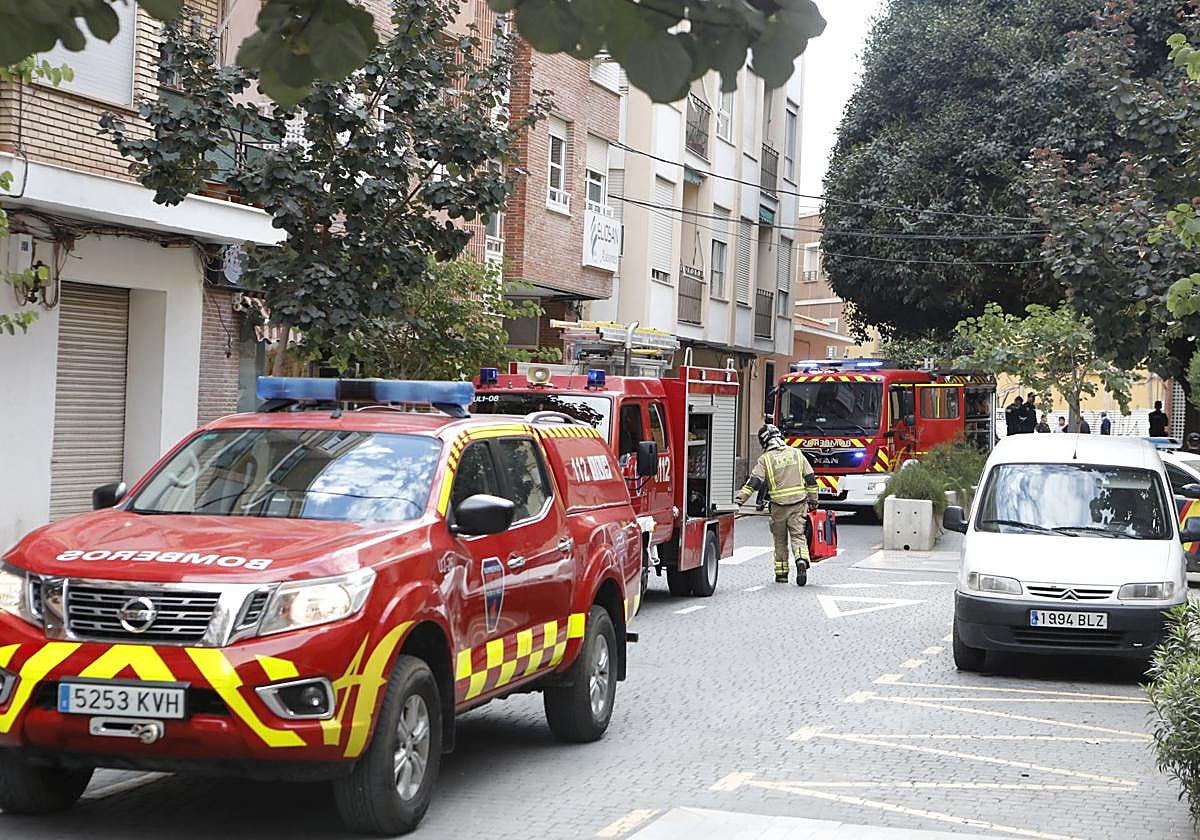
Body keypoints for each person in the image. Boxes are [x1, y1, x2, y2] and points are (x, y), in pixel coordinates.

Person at [735, 424, 819, 586]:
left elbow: (754, 482)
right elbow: (810, 479)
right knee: (798, 536)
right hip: (798, 504)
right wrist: (813, 500)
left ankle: (781, 574)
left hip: (778, 507)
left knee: (780, 541)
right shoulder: (796, 453)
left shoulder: (765, 459)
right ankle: (801, 560)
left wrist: (739, 500)